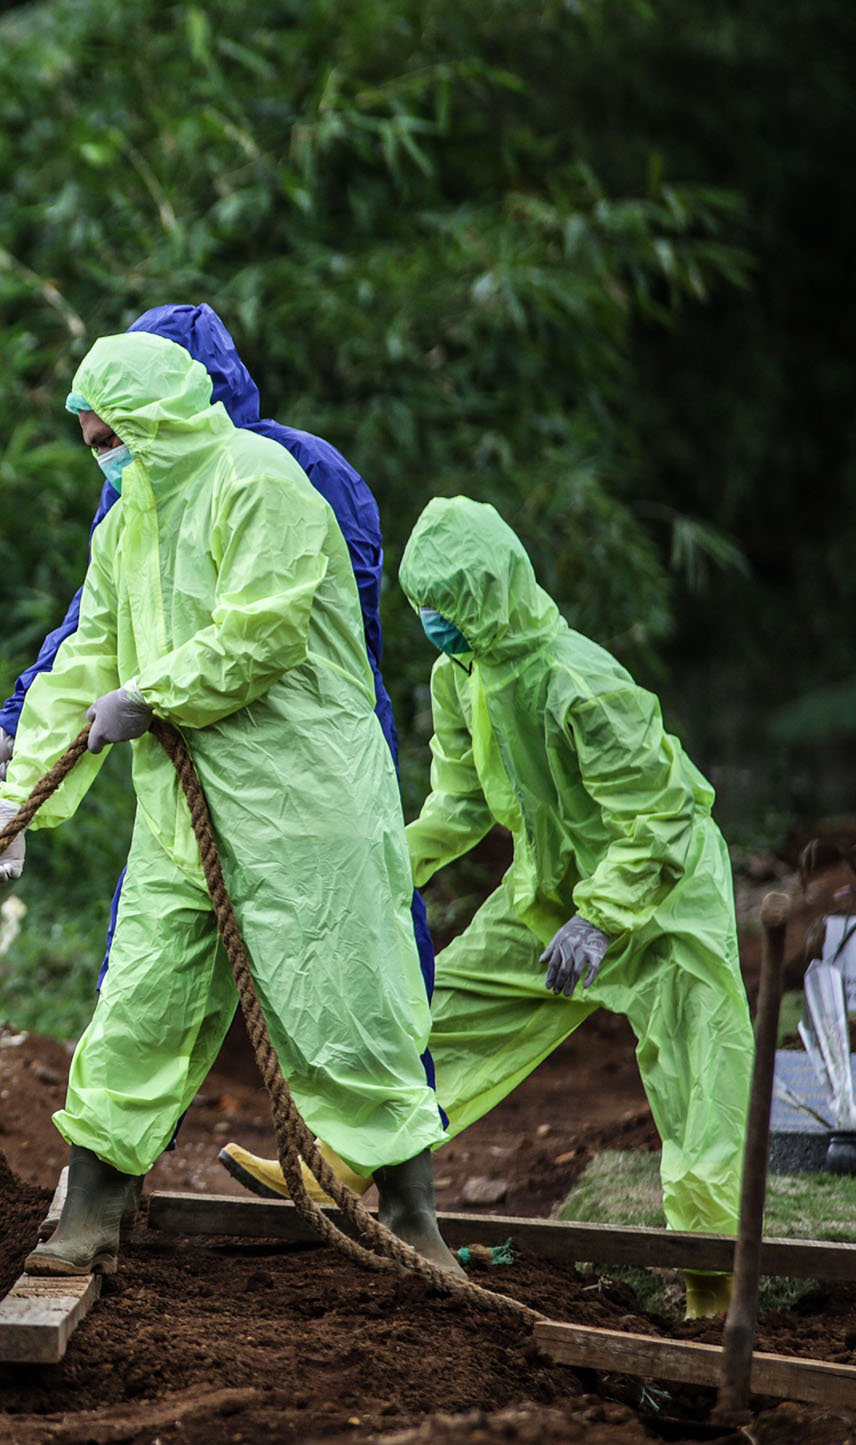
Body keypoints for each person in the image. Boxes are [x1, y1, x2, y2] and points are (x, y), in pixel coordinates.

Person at [0, 330, 453, 1273]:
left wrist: (151, 695)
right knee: (140, 1006)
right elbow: (85, 656)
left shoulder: (260, 479)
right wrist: (13, 812)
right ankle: (91, 1215)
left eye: (112, 437)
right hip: (182, 821)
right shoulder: (127, 520)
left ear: (157, 415)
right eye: (93, 443)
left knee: (352, 1006)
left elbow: (262, 632)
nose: (105, 457)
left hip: (303, 804)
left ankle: (413, 1219)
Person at [220, 497, 752, 1317]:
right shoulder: (459, 673)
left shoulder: (580, 682)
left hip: (664, 901)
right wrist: (381, 869)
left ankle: (714, 1294)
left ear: (491, 590)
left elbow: (662, 819)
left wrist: (601, 916)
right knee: (435, 1017)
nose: (433, 622)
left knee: (704, 1090)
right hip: (549, 895)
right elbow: (461, 803)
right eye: (423, 606)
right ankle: (341, 1166)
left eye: (448, 604)